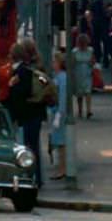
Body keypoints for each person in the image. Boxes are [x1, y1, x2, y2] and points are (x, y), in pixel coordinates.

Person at [2, 42, 47, 187]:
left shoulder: (21, 72)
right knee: (32, 147)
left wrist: (11, 86)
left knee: (28, 148)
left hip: (27, 116)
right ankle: (35, 177)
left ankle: (32, 178)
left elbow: (20, 95)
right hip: (34, 114)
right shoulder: (29, 69)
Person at [48, 52, 67, 180]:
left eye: (54, 62)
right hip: (55, 112)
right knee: (57, 142)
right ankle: (60, 168)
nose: (53, 64)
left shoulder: (62, 77)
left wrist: (60, 114)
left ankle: (62, 169)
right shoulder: (58, 77)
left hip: (59, 113)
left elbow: (63, 97)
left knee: (61, 142)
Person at [73, 33, 95, 119]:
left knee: (88, 91)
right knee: (79, 93)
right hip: (78, 73)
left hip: (87, 73)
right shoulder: (74, 51)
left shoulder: (90, 50)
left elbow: (93, 61)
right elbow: (72, 63)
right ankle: (80, 110)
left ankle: (88, 110)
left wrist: (91, 64)